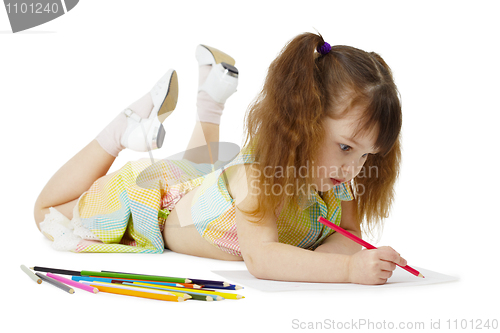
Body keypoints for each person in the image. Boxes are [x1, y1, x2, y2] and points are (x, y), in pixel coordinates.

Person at [34, 32, 406, 285]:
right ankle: (121, 131)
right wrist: (345, 269)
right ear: (303, 122)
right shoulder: (260, 176)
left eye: (367, 155)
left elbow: (352, 234)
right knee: (46, 212)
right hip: (155, 202)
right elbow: (262, 258)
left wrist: (337, 257)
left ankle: (211, 98)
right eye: (345, 147)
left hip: (200, 185)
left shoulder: (339, 179)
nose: (354, 168)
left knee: (206, 166)